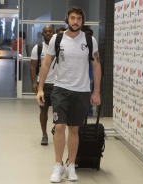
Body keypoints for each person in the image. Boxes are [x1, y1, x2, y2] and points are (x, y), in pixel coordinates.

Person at [36, 6, 101, 183]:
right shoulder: (57, 39)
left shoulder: (89, 40)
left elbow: (96, 66)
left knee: (74, 129)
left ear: (82, 21)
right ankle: (58, 165)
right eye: (72, 18)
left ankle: (71, 165)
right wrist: (40, 88)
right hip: (60, 90)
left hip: (81, 91)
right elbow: (46, 64)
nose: (75, 22)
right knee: (59, 127)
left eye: (78, 19)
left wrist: (96, 91)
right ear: (67, 19)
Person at [30, 25, 55, 146]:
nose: (48, 33)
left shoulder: (59, 47)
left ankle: (57, 130)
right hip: (43, 85)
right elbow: (33, 66)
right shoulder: (38, 48)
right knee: (43, 111)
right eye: (46, 32)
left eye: (50, 31)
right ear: (42, 34)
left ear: (54, 32)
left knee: (59, 112)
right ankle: (44, 134)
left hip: (58, 85)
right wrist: (34, 82)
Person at [82, 26, 94, 118]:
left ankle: (89, 112)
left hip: (89, 76)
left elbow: (95, 65)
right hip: (80, 77)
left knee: (89, 94)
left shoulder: (92, 48)